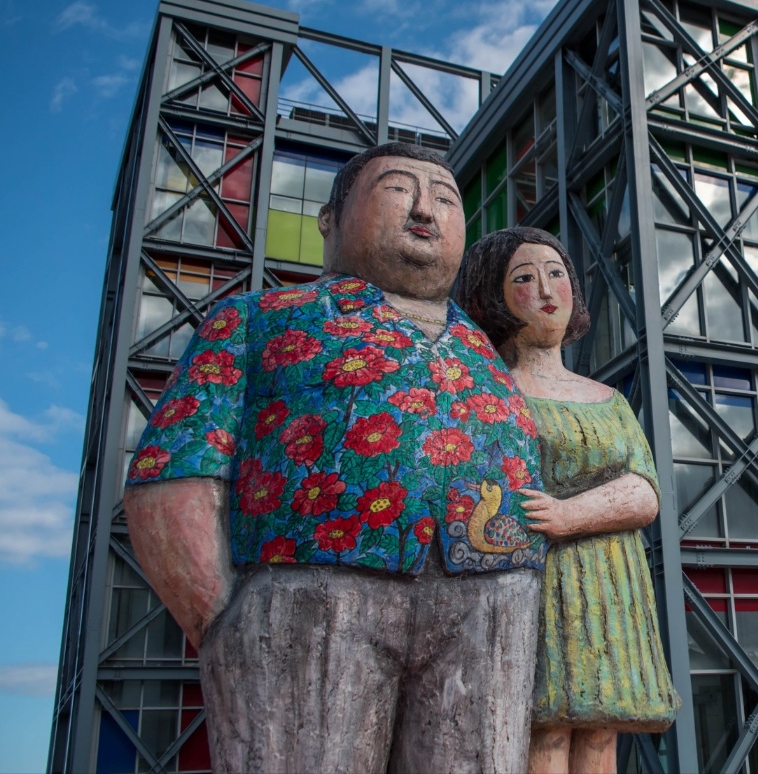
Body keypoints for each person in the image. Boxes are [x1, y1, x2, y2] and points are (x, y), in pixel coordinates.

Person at [124, 143, 546, 774]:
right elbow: (175, 464)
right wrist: (222, 617)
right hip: (307, 595)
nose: (425, 210)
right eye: (398, 189)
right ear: (330, 220)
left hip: (493, 601)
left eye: (445, 199)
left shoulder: (487, 347)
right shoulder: (259, 318)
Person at [458, 227, 678, 774]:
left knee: (601, 729)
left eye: (556, 274)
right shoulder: (491, 395)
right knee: (545, 727)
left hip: (611, 583)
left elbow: (645, 491)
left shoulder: (608, 400)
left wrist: (569, 514)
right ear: (493, 296)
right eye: (524, 278)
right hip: (537, 579)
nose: (545, 290)